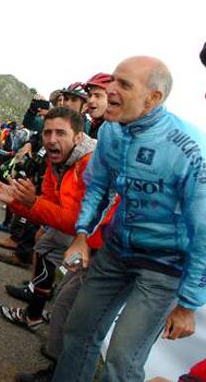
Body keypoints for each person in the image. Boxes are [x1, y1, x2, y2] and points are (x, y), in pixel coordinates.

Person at [54, 56, 206, 382]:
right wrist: (81, 235)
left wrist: (189, 304)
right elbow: (98, 187)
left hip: (164, 267)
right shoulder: (110, 130)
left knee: (122, 360)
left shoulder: (190, 148)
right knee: (79, 331)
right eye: (112, 80)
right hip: (115, 251)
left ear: (153, 98)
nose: (110, 90)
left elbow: (203, 229)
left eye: (124, 84)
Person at [0, 108, 98, 328]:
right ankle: (35, 313)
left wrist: (32, 203)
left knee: (73, 304)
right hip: (75, 234)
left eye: (60, 133)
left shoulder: (90, 163)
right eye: (47, 133)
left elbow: (79, 222)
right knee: (44, 242)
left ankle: (47, 323)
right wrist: (17, 203)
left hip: (99, 242)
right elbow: (48, 208)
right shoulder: (55, 159)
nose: (51, 140)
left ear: (78, 137)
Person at [82, 72, 112, 139]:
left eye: (98, 96)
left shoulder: (117, 131)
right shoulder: (94, 125)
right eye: (89, 96)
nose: (90, 100)